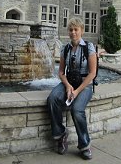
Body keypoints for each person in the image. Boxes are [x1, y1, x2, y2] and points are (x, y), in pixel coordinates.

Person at [47, 17, 97, 160]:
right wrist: (68, 87)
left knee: (77, 109)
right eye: (71, 30)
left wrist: (76, 91)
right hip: (69, 83)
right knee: (52, 99)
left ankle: (84, 145)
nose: (73, 32)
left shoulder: (89, 47)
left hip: (84, 85)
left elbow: (92, 73)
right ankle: (61, 135)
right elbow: (61, 72)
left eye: (76, 29)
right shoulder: (65, 48)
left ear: (81, 30)